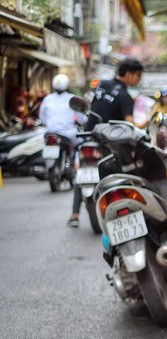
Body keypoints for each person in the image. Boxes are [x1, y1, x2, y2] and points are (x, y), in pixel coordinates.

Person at [67, 58, 143, 227]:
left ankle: (74, 213)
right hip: (110, 142)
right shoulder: (125, 97)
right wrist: (142, 126)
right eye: (138, 75)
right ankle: (126, 208)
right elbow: (129, 125)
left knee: (84, 171)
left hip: (89, 136)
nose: (139, 79)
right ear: (129, 74)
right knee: (125, 172)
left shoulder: (102, 85)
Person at [39, 74, 83, 144]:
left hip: (49, 133)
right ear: (67, 85)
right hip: (68, 134)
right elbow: (81, 119)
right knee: (81, 145)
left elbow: (42, 118)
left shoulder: (47, 98)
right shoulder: (73, 99)